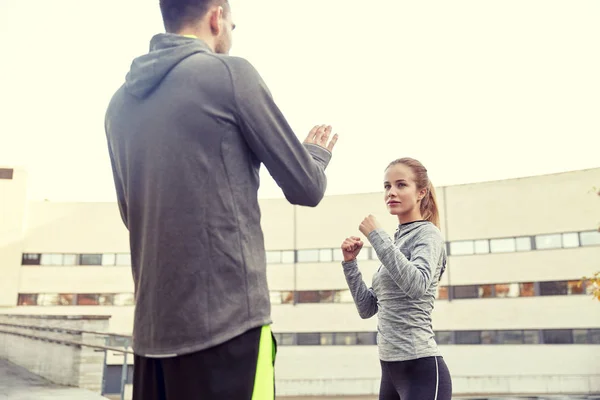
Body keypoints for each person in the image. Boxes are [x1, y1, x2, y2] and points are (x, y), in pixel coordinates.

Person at [104, 0, 339, 398]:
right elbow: (306, 186)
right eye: (232, 21)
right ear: (216, 16)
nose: (231, 31)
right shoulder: (230, 75)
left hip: (150, 338)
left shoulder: (118, 106)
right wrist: (315, 155)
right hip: (230, 331)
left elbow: (135, 215)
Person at [340, 157, 452, 400]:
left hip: (421, 368)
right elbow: (367, 308)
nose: (391, 192)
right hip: (389, 370)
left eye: (401, 185)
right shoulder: (397, 241)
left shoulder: (427, 235)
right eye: (387, 186)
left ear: (421, 192)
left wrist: (378, 236)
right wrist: (350, 263)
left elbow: (417, 285)